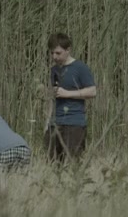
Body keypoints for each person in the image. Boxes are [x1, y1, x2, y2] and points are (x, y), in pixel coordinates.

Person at [46, 33, 97, 164]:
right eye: (52, 53)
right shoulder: (54, 70)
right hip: (55, 123)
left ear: (68, 50)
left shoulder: (80, 67)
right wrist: (48, 123)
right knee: (51, 164)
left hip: (74, 123)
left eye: (58, 53)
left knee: (72, 165)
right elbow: (53, 98)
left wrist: (67, 93)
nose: (54, 57)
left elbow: (92, 91)